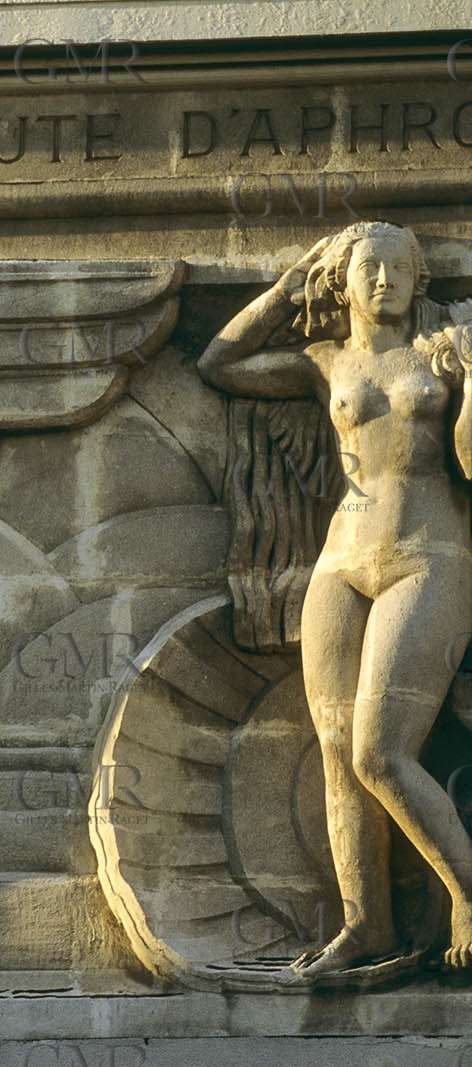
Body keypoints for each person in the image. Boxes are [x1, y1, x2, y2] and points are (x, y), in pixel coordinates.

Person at [198, 221, 472, 976]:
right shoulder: (326, 360)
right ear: (342, 282)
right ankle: (366, 924)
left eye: (399, 268)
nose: (385, 280)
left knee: (380, 752)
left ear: (419, 280)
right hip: (340, 563)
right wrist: (290, 285)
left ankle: (467, 893)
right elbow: (220, 362)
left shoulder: (442, 351)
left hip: (427, 557)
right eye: (369, 267)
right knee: (335, 749)